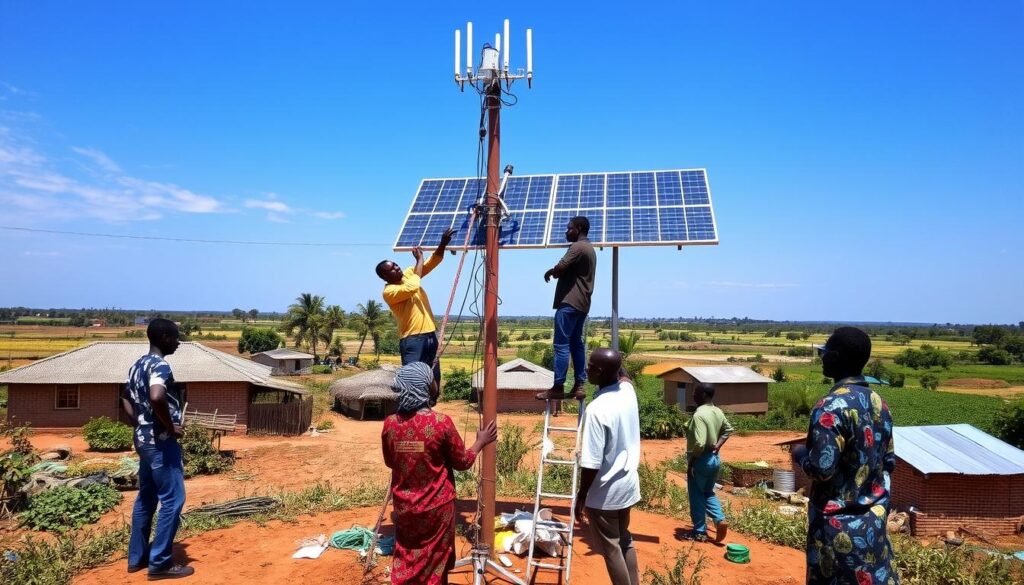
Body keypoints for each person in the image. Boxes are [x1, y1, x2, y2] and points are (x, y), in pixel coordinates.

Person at [792, 327, 897, 585]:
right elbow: (889, 462)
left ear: (836, 357)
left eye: (825, 352)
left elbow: (822, 469)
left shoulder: (830, 407)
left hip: (836, 528)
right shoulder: (879, 403)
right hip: (873, 527)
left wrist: (800, 455)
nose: (822, 357)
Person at [382, 362, 498, 585]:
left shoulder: (390, 424)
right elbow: (463, 462)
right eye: (431, 379)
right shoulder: (440, 423)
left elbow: (391, 462)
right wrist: (480, 442)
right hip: (436, 509)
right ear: (424, 386)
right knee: (437, 557)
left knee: (408, 553)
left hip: (404, 507)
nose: (435, 382)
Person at [121, 318, 193, 580]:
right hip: (161, 442)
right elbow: (156, 396)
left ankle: (136, 559)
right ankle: (160, 563)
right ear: (163, 337)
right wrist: (170, 427)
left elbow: (125, 396)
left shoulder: (136, 365)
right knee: (173, 499)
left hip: (142, 440)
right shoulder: (160, 366)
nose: (178, 342)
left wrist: (137, 420)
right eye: (175, 337)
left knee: (146, 499)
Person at [575, 348, 641, 585]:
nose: (586, 369)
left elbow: (591, 463)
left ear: (601, 372)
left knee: (611, 549)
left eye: (591, 366)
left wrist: (581, 496)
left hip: (604, 494)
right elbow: (623, 374)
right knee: (625, 540)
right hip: (628, 486)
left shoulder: (597, 409)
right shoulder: (628, 391)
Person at [377, 228, 455, 386]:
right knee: (413, 379)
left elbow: (432, 263)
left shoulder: (407, 274)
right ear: (385, 276)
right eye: (392, 269)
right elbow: (413, 286)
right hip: (413, 339)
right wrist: (419, 260)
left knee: (433, 377)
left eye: (396, 265)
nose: (397, 268)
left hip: (430, 336)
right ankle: (411, 408)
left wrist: (442, 244)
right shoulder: (389, 292)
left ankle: (430, 405)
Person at [536, 216, 597, 414]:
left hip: (569, 303)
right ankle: (579, 385)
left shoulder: (578, 247)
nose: (566, 232)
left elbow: (561, 267)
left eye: (569, 228)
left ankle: (558, 386)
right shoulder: (590, 249)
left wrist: (550, 272)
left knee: (561, 345)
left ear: (578, 229)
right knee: (576, 344)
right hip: (582, 304)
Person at [683, 382, 733, 543]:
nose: (693, 395)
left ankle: (699, 532)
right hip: (714, 460)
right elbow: (728, 430)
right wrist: (717, 447)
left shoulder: (699, 415)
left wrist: (692, 462)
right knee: (708, 492)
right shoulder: (717, 411)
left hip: (701, 459)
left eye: (695, 392)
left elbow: (699, 442)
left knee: (696, 495)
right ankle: (719, 519)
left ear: (703, 395)